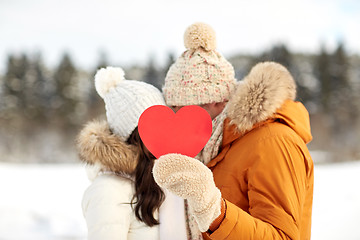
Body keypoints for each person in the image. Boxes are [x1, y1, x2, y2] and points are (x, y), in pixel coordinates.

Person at [153, 22, 314, 240]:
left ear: (216, 102)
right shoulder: (215, 147)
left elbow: (282, 236)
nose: (179, 119)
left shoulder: (273, 141)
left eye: (183, 109)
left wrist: (215, 211)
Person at [76, 66, 187, 240]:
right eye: (157, 123)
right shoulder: (108, 191)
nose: (166, 131)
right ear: (136, 134)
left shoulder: (159, 177)